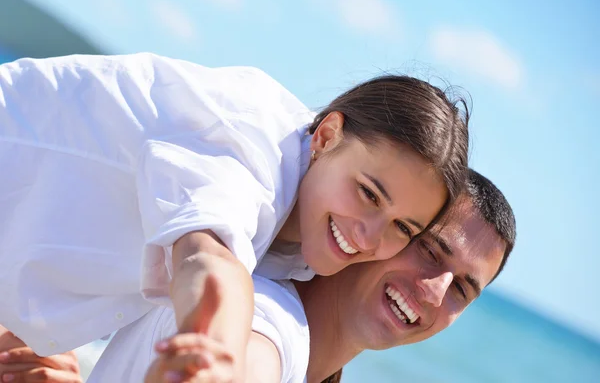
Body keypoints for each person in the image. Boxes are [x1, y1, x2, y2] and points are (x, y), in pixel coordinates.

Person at [0, 53, 469, 379]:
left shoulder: (305, 237)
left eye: (403, 228)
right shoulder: (252, 149)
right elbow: (206, 259)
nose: (369, 237)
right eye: (368, 194)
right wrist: (219, 351)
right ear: (326, 135)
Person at [0, 169, 513, 383]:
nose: (436, 289)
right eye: (429, 249)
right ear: (386, 232)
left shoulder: (308, 352)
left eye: (464, 287)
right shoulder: (268, 318)